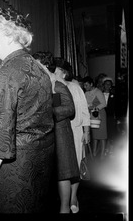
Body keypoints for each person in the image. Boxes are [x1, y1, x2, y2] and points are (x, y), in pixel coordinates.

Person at [0, 7, 55, 213]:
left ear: (7, 36)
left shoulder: (7, 73)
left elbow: (2, 136)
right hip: (42, 166)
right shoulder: (39, 68)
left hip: (17, 172)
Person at [33, 52, 80, 213]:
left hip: (60, 134)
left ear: (45, 66)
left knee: (63, 173)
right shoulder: (40, 84)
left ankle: (65, 208)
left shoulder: (58, 85)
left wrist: (48, 112)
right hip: (46, 135)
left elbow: (70, 109)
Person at [54, 57, 90, 213]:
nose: (52, 72)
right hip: (59, 132)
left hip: (75, 131)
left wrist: (87, 131)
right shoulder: (53, 87)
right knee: (63, 169)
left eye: (55, 70)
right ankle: (64, 202)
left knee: (74, 166)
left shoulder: (75, 87)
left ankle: (74, 197)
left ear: (63, 72)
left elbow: (84, 110)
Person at [82, 76, 107, 160]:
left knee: (102, 135)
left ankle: (102, 154)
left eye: (86, 85)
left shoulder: (98, 92)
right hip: (92, 116)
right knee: (95, 135)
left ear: (91, 84)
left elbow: (104, 104)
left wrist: (94, 107)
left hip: (100, 115)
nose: (85, 87)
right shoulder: (85, 93)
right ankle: (94, 152)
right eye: (84, 85)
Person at [102, 77, 116, 156]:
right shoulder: (100, 93)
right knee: (103, 133)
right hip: (102, 117)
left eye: (109, 84)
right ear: (103, 85)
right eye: (106, 84)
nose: (108, 86)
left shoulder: (114, 95)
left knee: (110, 132)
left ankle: (109, 149)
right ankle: (103, 149)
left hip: (110, 116)